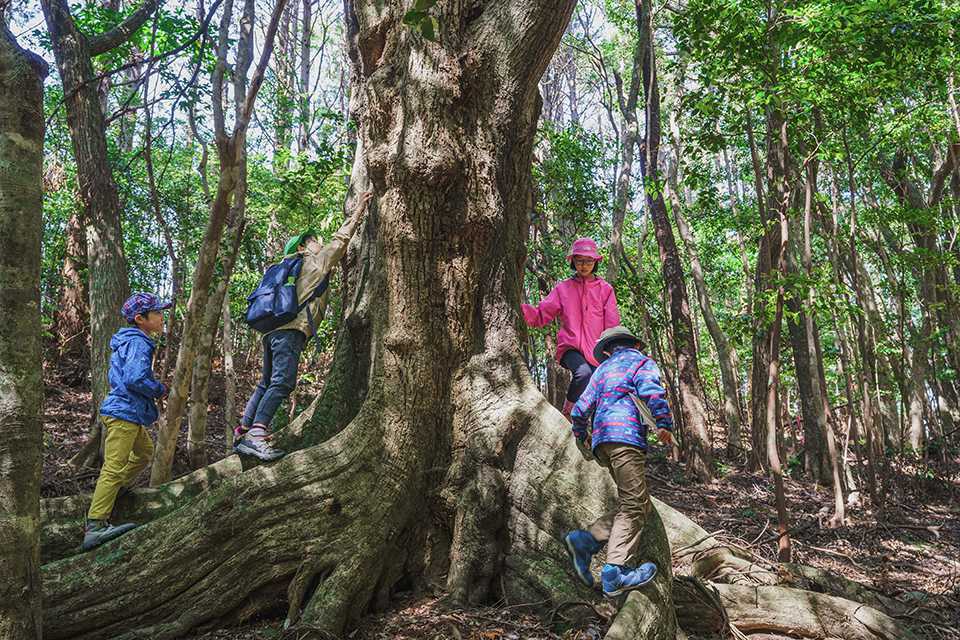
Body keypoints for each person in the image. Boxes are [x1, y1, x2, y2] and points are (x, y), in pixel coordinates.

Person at [234, 191, 372, 461]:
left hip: (272, 331)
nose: (318, 244)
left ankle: (244, 430)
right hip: (291, 330)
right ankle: (256, 435)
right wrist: (358, 212)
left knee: (266, 383)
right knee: (283, 382)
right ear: (301, 248)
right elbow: (340, 241)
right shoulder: (312, 263)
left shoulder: (285, 269)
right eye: (312, 242)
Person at [562, 325, 674, 597]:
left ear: (609, 349)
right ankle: (615, 572)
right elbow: (651, 391)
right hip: (626, 439)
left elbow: (580, 409)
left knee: (637, 504)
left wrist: (582, 435)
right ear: (634, 345)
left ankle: (586, 541)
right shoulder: (641, 361)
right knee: (635, 505)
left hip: (603, 443)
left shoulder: (601, 370)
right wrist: (664, 423)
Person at [83, 292, 171, 551]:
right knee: (114, 467)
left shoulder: (131, 340)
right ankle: (95, 524)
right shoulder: (138, 342)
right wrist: (159, 389)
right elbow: (135, 378)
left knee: (144, 453)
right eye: (157, 313)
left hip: (127, 413)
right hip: (123, 414)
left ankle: (114, 492)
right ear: (140, 319)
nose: (161, 316)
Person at [522, 238, 620, 419]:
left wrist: (612, 350)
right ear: (573, 261)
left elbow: (612, 323)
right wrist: (519, 309)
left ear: (596, 262)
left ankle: (590, 434)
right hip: (570, 348)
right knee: (583, 373)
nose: (584, 265)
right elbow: (541, 314)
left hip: (597, 351)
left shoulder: (605, 289)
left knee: (599, 393)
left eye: (589, 260)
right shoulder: (563, 289)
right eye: (579, 260)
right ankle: (567, 413)